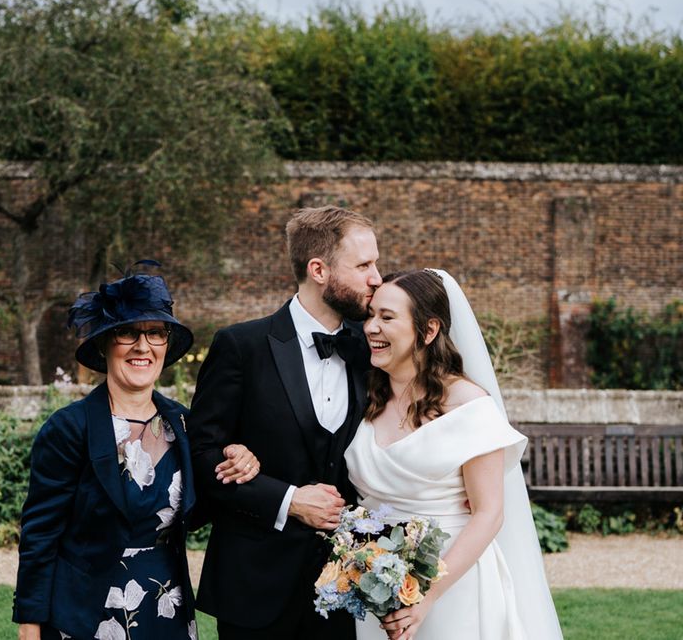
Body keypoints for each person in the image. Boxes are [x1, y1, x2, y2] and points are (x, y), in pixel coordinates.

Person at [12, 263, 260, 640]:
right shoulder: (68, 429)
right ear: (105, 343)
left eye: (155, 334)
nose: (142, 346)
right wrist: (30, 623)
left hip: (167, 608)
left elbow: (203, 506)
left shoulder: (185, 426)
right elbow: (39, 535)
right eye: (128, 333)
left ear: (166, 345)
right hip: (85, 615)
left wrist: (241, 457)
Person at [187, 206, 382, 640]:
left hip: (345, 587)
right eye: (364, 265)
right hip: (255, 585)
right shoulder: (241, 346)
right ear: (318, 269)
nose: (377, 278)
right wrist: (289, 500)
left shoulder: (373, 352)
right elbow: (200, 455)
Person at [345, 269, 563, 640]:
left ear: (428, 331)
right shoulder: (364, 397)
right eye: (370, 315)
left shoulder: (469, 406)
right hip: (374, 586)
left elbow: (489, 513)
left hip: (452, 586)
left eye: (387, 317)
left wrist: (425, 597)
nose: (370, 327)